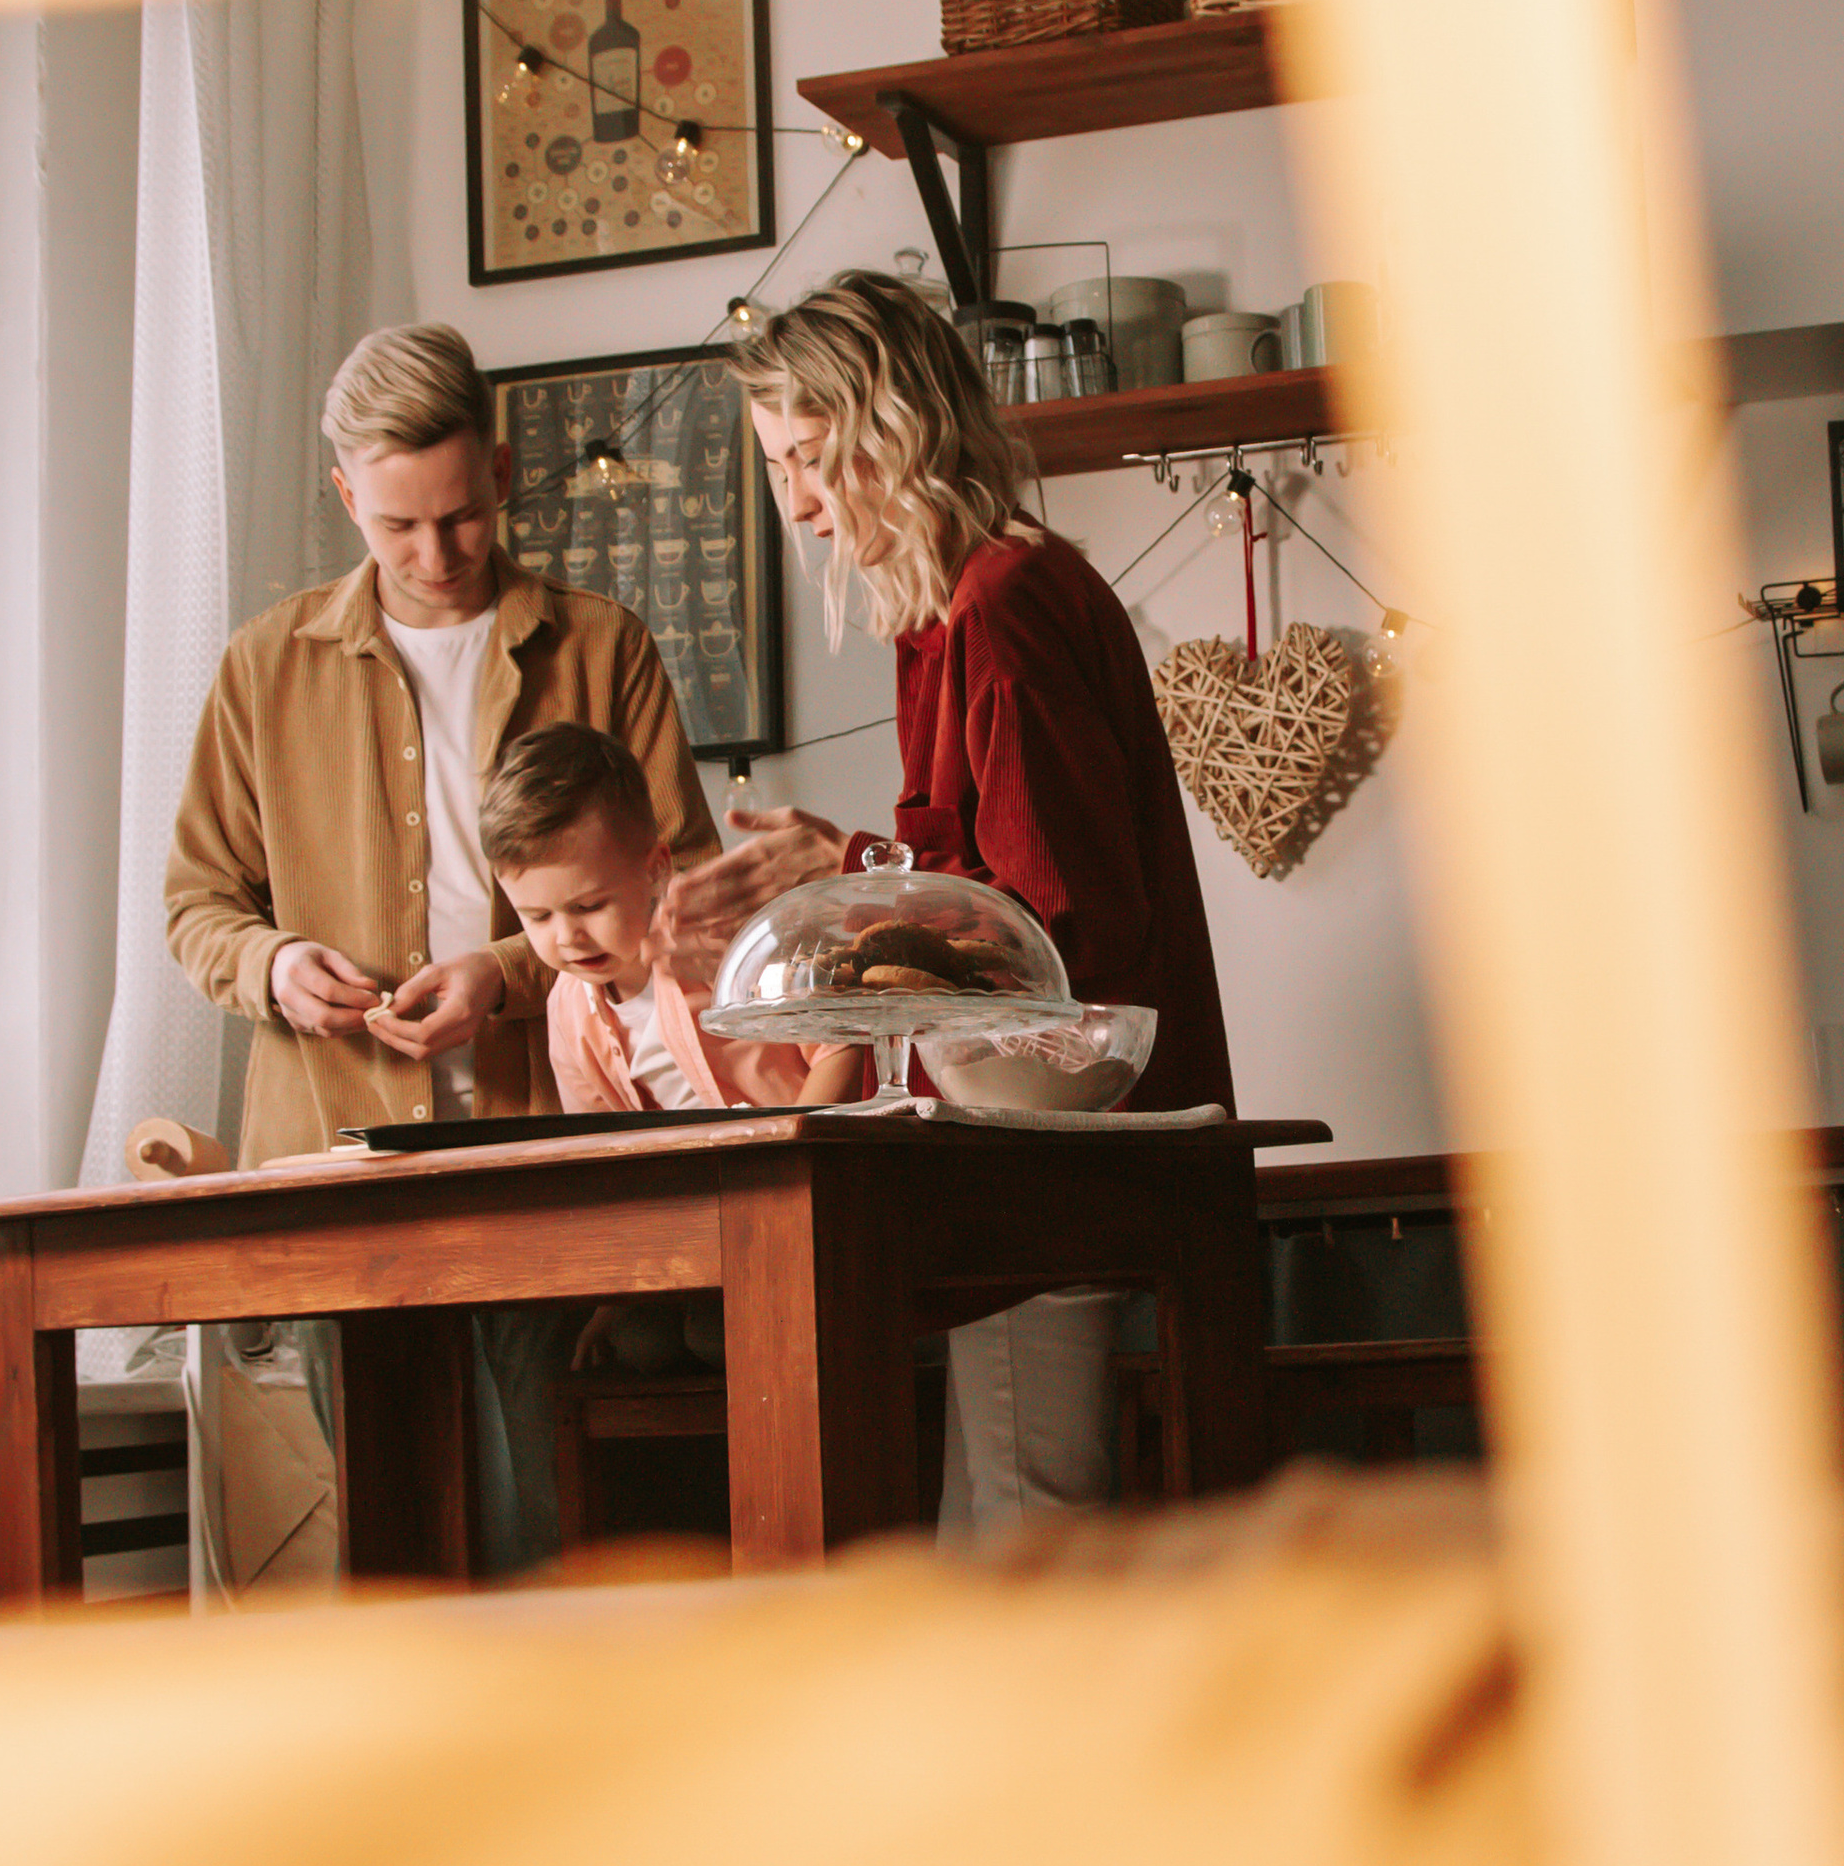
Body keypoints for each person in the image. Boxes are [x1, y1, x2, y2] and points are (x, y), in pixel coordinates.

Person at [664, 269, 1235, 1539]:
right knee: (982, 1533)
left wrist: (846, 869)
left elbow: (1061, 931)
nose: (800, 505)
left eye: (812, 457)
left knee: (1031, 1532)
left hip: (1055, 1144)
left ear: (894, 430)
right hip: (1019, 1141)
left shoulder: (1007, 602)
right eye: (778, 467)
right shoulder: (956, 612)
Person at [165, 322, 718, 1572]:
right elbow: (198, 903)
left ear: (507, 473)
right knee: (382, 1522)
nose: (434, 554)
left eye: (461, 517)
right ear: (343, 494)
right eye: (397, 525)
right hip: (329, 1151)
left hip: (546, 1143)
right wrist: (275, 967)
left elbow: (678, 893)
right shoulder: (263, 668)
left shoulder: (604, 645)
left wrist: (505, 975)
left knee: (535, 1511)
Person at [481, 721, 860, 1396]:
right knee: (637, 1342)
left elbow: (838, 1045)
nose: (566, 937)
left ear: (656, 868)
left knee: (721, 1334)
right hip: (698, 1238)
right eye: (536, 918)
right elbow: (606, 1159)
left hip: (803, 1205)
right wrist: (616, 1295)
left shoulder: (732, 946)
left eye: (589, 905)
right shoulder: (569, 1006)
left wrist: (799, 1163)